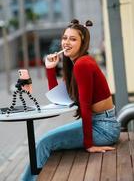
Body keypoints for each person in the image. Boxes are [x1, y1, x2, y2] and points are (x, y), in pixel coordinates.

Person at [21, 19, 120, 181]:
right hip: (99, 123)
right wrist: (50, 70)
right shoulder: (76, 63)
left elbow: (86, 106)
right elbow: (60, 99)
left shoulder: (83, 64)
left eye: (73, 39)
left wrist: (89, 145)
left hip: (104, 128)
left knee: (44, 143)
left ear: (83, 43)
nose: (66, 42)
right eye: (65, 38)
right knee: (44, 141)